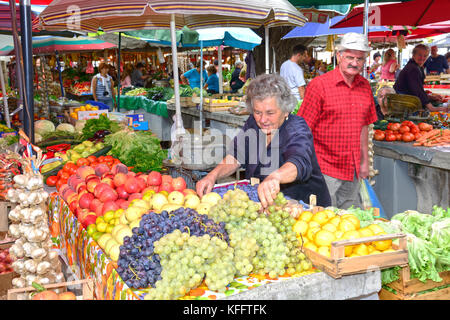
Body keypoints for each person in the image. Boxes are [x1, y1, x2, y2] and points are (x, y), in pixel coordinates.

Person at [196, 74, 331, 208]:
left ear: (286, 111)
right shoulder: (253, 123)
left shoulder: (296, 128)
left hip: (305, 210)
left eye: (270, 113)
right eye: (257, 112)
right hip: (267, 206)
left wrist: (275, 177)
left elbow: (299, 162)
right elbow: (236, 156)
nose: (262, 120)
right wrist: (213, 175)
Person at [298, 32, 377, 209]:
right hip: (325, 168)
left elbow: (365, 126)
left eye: (360, 59)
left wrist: (364, 162)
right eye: (350, 57)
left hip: (354, 167)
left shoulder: (365, 86)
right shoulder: (319, 85)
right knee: (324, 218)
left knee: (349, 218)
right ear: (339, 55)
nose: (354, 63)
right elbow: (303, 128)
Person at [394, 44, 449, 113]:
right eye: (419, 55)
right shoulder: (413, 68)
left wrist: (430, 97)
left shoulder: (416, 66)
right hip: (404, 103)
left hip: (407, 100)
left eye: (425, 56)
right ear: (413, 55)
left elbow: (417, 89)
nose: (422, 58)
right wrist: (431, 107)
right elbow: (417, 90)